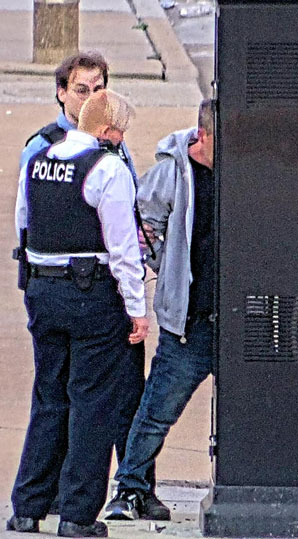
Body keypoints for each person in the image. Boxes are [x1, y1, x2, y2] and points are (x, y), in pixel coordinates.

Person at [20, 51, 167, 520]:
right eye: (119, 130)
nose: (122, 138)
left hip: (44, 288)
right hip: (91, 295)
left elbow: (25, 222)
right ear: (107, 129)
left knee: (49, 398)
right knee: (92, 403)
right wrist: (137, 308)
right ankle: (77, 515)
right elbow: (124, 251)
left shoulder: (39, 156)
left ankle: (27, 506)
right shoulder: (107, 168)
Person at [105, 100, 216, 521]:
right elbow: (144, 225)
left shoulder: (243, 171)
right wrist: (164, 266)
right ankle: (130, 489)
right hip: (187, 322)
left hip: (237, 321)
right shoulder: (173, 172)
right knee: (156, 412)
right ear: (201, 136)